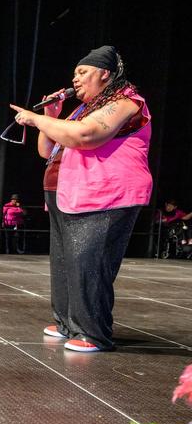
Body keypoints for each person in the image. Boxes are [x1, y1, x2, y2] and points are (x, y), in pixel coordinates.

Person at [11, 45, 153, 353]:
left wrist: (36, 120)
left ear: (105, 73)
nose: (75, 79)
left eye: (82, 72)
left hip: (109, 194)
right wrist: (50, 116)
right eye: (74, 73)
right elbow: (47, 151)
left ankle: (93, 333)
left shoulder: (125, 102)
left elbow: (85, 136)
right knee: (65, 262)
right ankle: (67, 324)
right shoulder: (83, 108)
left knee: (89, 263)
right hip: (73, 193)